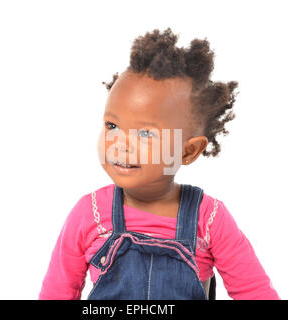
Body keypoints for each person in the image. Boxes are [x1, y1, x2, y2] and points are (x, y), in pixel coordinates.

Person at [38, 28, 280, 300]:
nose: (120, 144)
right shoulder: (89, 214)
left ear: (188, 151)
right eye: (112, 125)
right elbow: (56, 293)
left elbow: (255, 292)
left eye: (145, 133)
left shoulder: (209, 219)